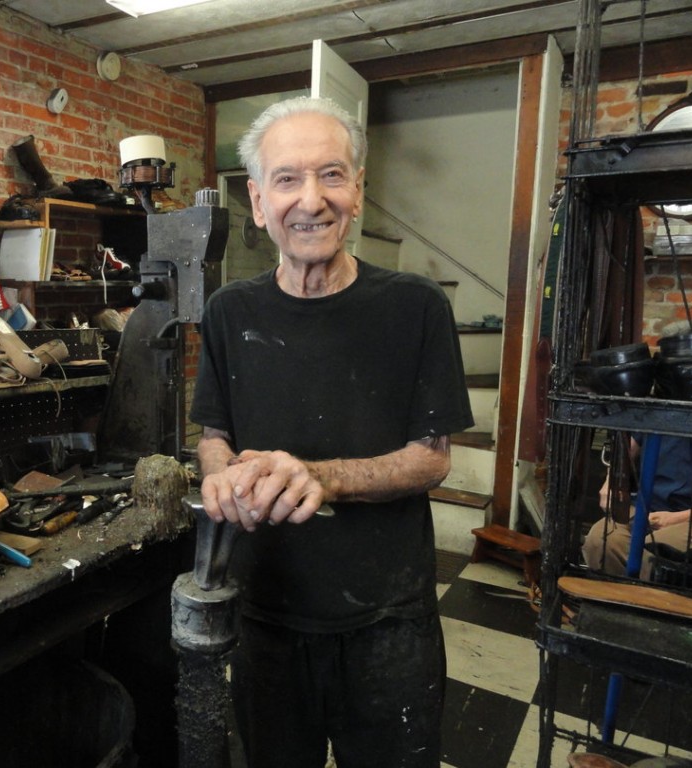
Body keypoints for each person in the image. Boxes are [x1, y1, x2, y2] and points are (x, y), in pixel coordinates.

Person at [190, 96, 474, 768]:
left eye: (332, 175)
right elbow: (213, 435)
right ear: (258, 203)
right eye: (287, 180)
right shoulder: (230, 311)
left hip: (388, 622)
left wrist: (319, 477)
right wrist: (221, 473)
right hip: (267, 615)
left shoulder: (415, 305)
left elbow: (431, 461)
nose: (311, 200)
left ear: (358, 192)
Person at [582, 433, 692, 580]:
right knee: (600, 542)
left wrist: (675, 519)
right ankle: (615, 600)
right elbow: (626, 452)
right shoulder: (660, 411)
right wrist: (611, 482)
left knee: (653, 552)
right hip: (645, 507)